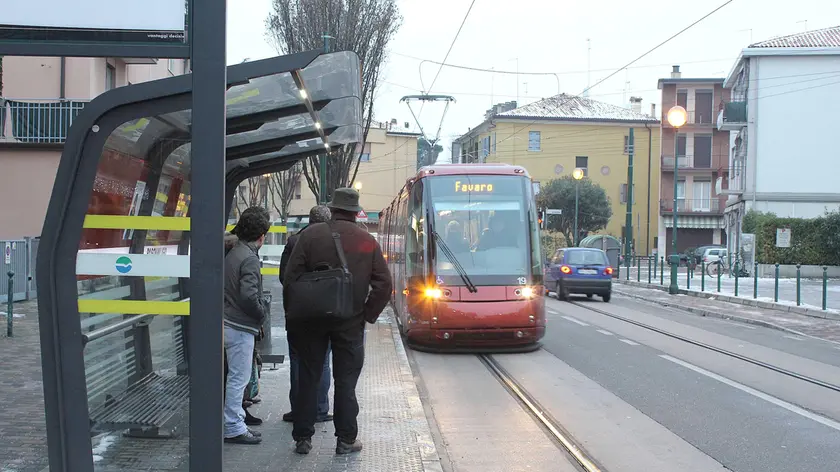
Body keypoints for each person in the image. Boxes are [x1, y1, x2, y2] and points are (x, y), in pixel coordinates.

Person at [283, 188, 392, 455]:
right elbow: (384, 284)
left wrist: (296, 315)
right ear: (355, 212)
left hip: (311, 321)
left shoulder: (309, 236)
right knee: (346, 381)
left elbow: (290, 279)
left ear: (332, 209)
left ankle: (303, 438)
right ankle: (345, 439)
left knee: (308, 377)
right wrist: (366, 313)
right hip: (350, 321)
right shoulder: (366, 240)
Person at [279, 205, 333, 424]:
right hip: (327, 311)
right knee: (324, 360)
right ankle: (320, 408)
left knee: (298, 361)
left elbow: (284, 277)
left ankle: (299, 409)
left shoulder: (294, 242)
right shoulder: (335, 242)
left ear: (308, 220)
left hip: (299, 312)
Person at [223, 207, 270, 445]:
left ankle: (235, 423)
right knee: (238, 378)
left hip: (229, 321)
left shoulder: (234, 252)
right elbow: (249, 297)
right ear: (261, 235)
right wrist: (261, 315)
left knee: (234, 377)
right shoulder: (249, 258)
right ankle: (233, 427)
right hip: (240, 325)